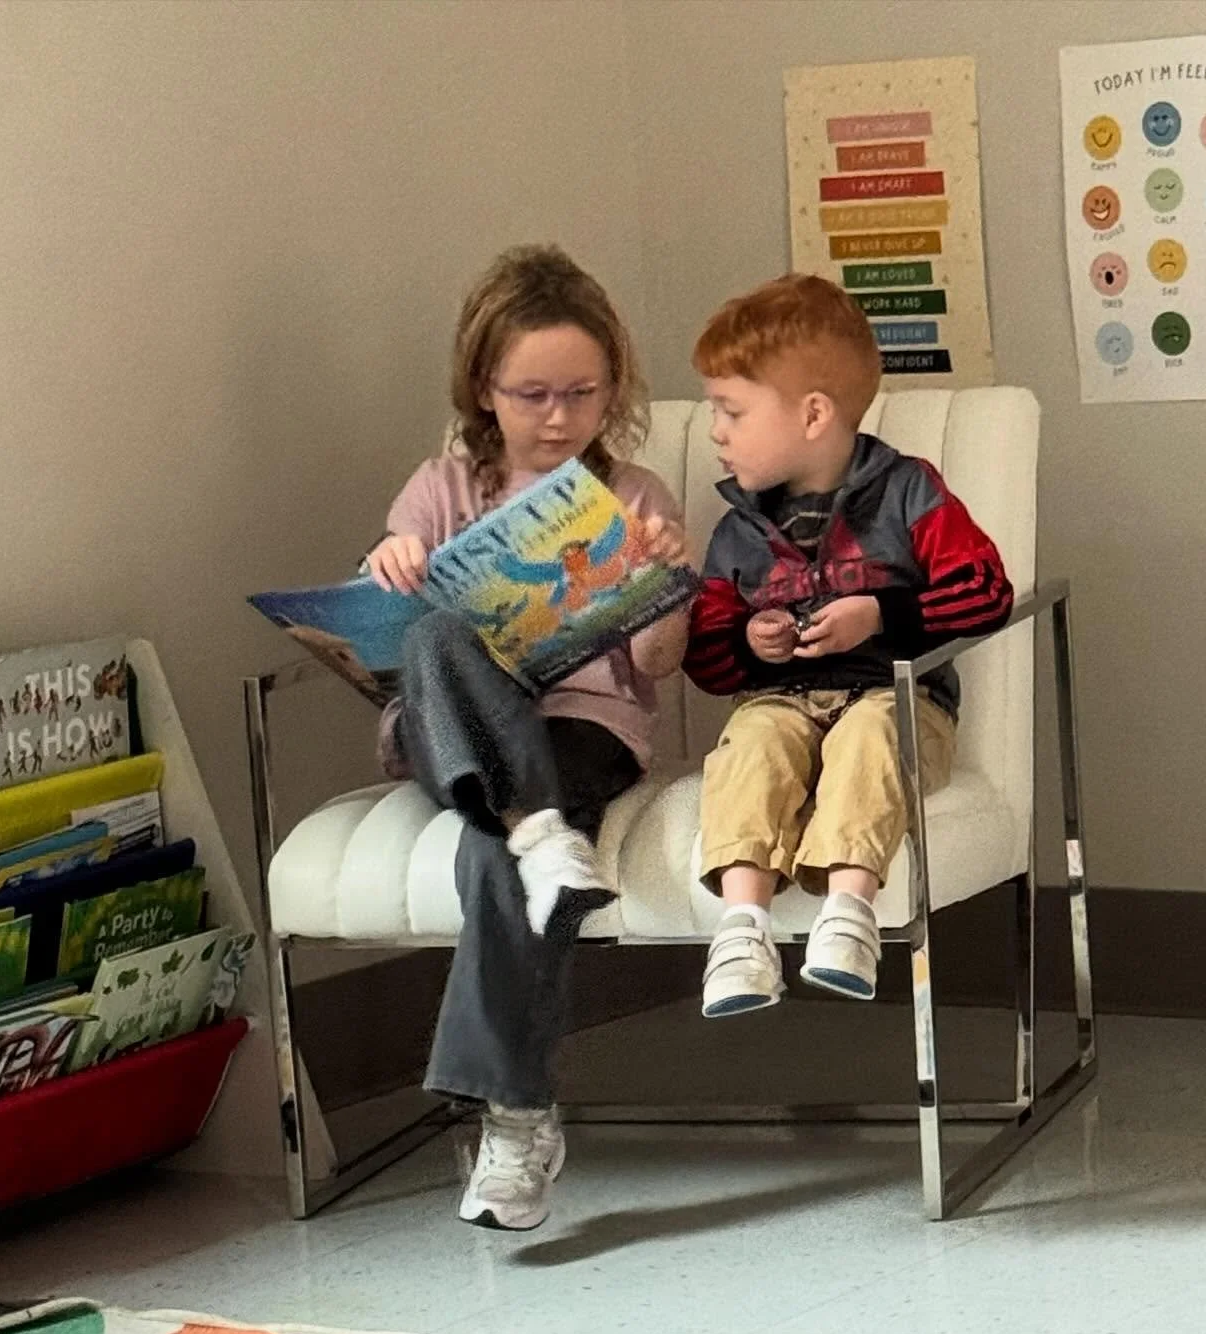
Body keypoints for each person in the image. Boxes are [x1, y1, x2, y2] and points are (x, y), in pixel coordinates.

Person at [367, 245, 689, 1230]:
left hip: (582, 730)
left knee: (491, 860)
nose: (558, 419)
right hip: (458, 738)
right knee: (435, 635)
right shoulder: (437, 489)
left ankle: (515, 1122)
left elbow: (663, 665)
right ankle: (544, 832)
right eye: (533, 395)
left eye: (583, 395)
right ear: (483, 389)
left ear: (613, 390)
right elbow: (389, 650)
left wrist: (658, 585)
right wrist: (390, 563)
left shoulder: (633, 495)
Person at [683, 274, 1014, 1018]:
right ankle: (742, 931)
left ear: (813, 414)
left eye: (732, 411)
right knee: (753, 742)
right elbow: (706, 660)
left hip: (897, 698)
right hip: (780, 701)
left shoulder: (910, 492)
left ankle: (848, 912)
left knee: (870, 734)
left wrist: (881, 615)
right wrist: (752, 643)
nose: (716, 432)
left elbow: (986, 590)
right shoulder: (737, 530)